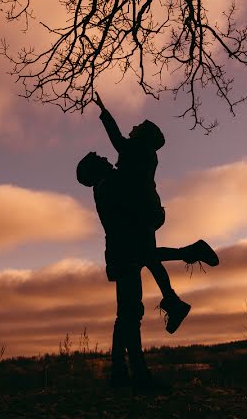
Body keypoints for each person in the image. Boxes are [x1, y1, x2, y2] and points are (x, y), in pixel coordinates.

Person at [76, 152, 215, 389]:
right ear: (94, 169)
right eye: (97, 158)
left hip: (121, 254)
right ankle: (138, 376)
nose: (103, 156)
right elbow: (131, 215)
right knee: (130, 316)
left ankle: (120, 375)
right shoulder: (109, 185)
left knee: (126, 317)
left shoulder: (106, 185)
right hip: (124, 253)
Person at [92, 93, 218, 332]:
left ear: (143, 135)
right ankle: (173, 301)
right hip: (148, 210)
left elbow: (117, 139)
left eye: (137, 126)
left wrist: (104, 112)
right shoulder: (146, 153)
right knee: (148, 257)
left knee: (147, 255)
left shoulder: (137, 149)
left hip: (142, 212)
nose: (133, 127)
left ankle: (191, 252)